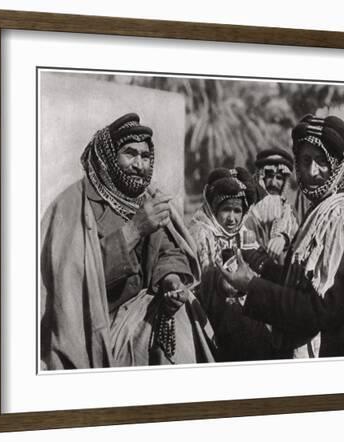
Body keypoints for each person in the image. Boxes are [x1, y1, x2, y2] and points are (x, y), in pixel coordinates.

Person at [40, 113, 215, 369]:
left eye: (145, 156)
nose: (139, 165)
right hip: (92, 330)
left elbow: (168, 250)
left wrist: (170, 281)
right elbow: (72, 283)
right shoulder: (73, 205)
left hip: (138, 319)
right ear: (109, 158)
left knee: (186, 309)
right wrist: (134, 230)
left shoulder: (145, 199)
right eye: (130, 154)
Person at [219, 115, 344, 358]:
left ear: (339, 164)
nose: (312, 171)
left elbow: (322, 309)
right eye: (306, 160)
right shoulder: (323, 209)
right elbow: (303, 281)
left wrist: (252, 286)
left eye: (322, 161)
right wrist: (259, 263)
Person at [189, 168, 289, 361]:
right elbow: (201, 284)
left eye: (237, 210)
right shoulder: (200, 233)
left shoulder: (241, 231)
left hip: (237, 303)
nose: (232, 218)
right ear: (213, 208)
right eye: (226, 209)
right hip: (207, 308)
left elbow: (258, 258)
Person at [246, 148, 299, 264]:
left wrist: (284, 239)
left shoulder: (289, 212)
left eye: (279, 178)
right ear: (261, 178)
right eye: (269, 176)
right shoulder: (248, 210)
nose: (274, 183)